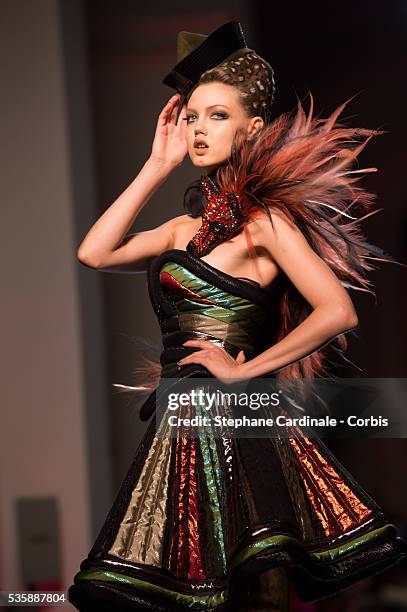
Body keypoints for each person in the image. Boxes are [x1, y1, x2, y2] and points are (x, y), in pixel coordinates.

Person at [68, 21, 407, 612]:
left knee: (261, 582)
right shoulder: (180, 229)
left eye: (217, 116)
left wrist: (244, 370)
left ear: (252, 129)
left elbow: (338, 310)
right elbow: (94, 253)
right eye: (192, 116)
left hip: (240, 418)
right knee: (188, 592)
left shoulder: (267, 223)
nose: (198, 129)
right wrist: (156, 164)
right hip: (181, 424)